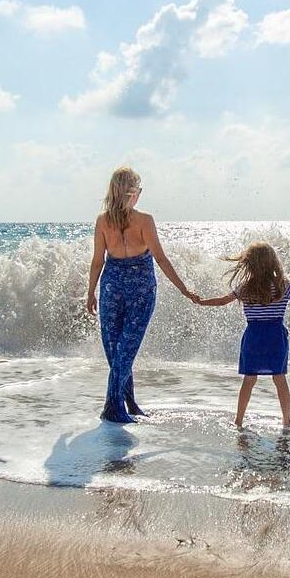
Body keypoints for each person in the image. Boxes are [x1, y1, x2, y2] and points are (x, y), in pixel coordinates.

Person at [86, 167, 197, 423]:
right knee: (122, 351)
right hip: (139, 290)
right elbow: (160, 258)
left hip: (112, 287)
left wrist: (91, 291)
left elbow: (97, 261)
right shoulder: (144, 220)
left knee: (119, 350)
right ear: (133, 193)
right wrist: (184, 289)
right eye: (139, 189)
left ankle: (128, 403)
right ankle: (114, 407)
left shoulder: (103, 220)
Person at [196, 241, 290, 428]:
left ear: (249, 264)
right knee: (279, 379)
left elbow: (221, 301)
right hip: (275, 338)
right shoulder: (283, 286)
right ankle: (287, 421)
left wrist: (201, 301)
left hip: (253, 338)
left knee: (249, 380)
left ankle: (239, 420)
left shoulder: (245, 288)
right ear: (273, 262)